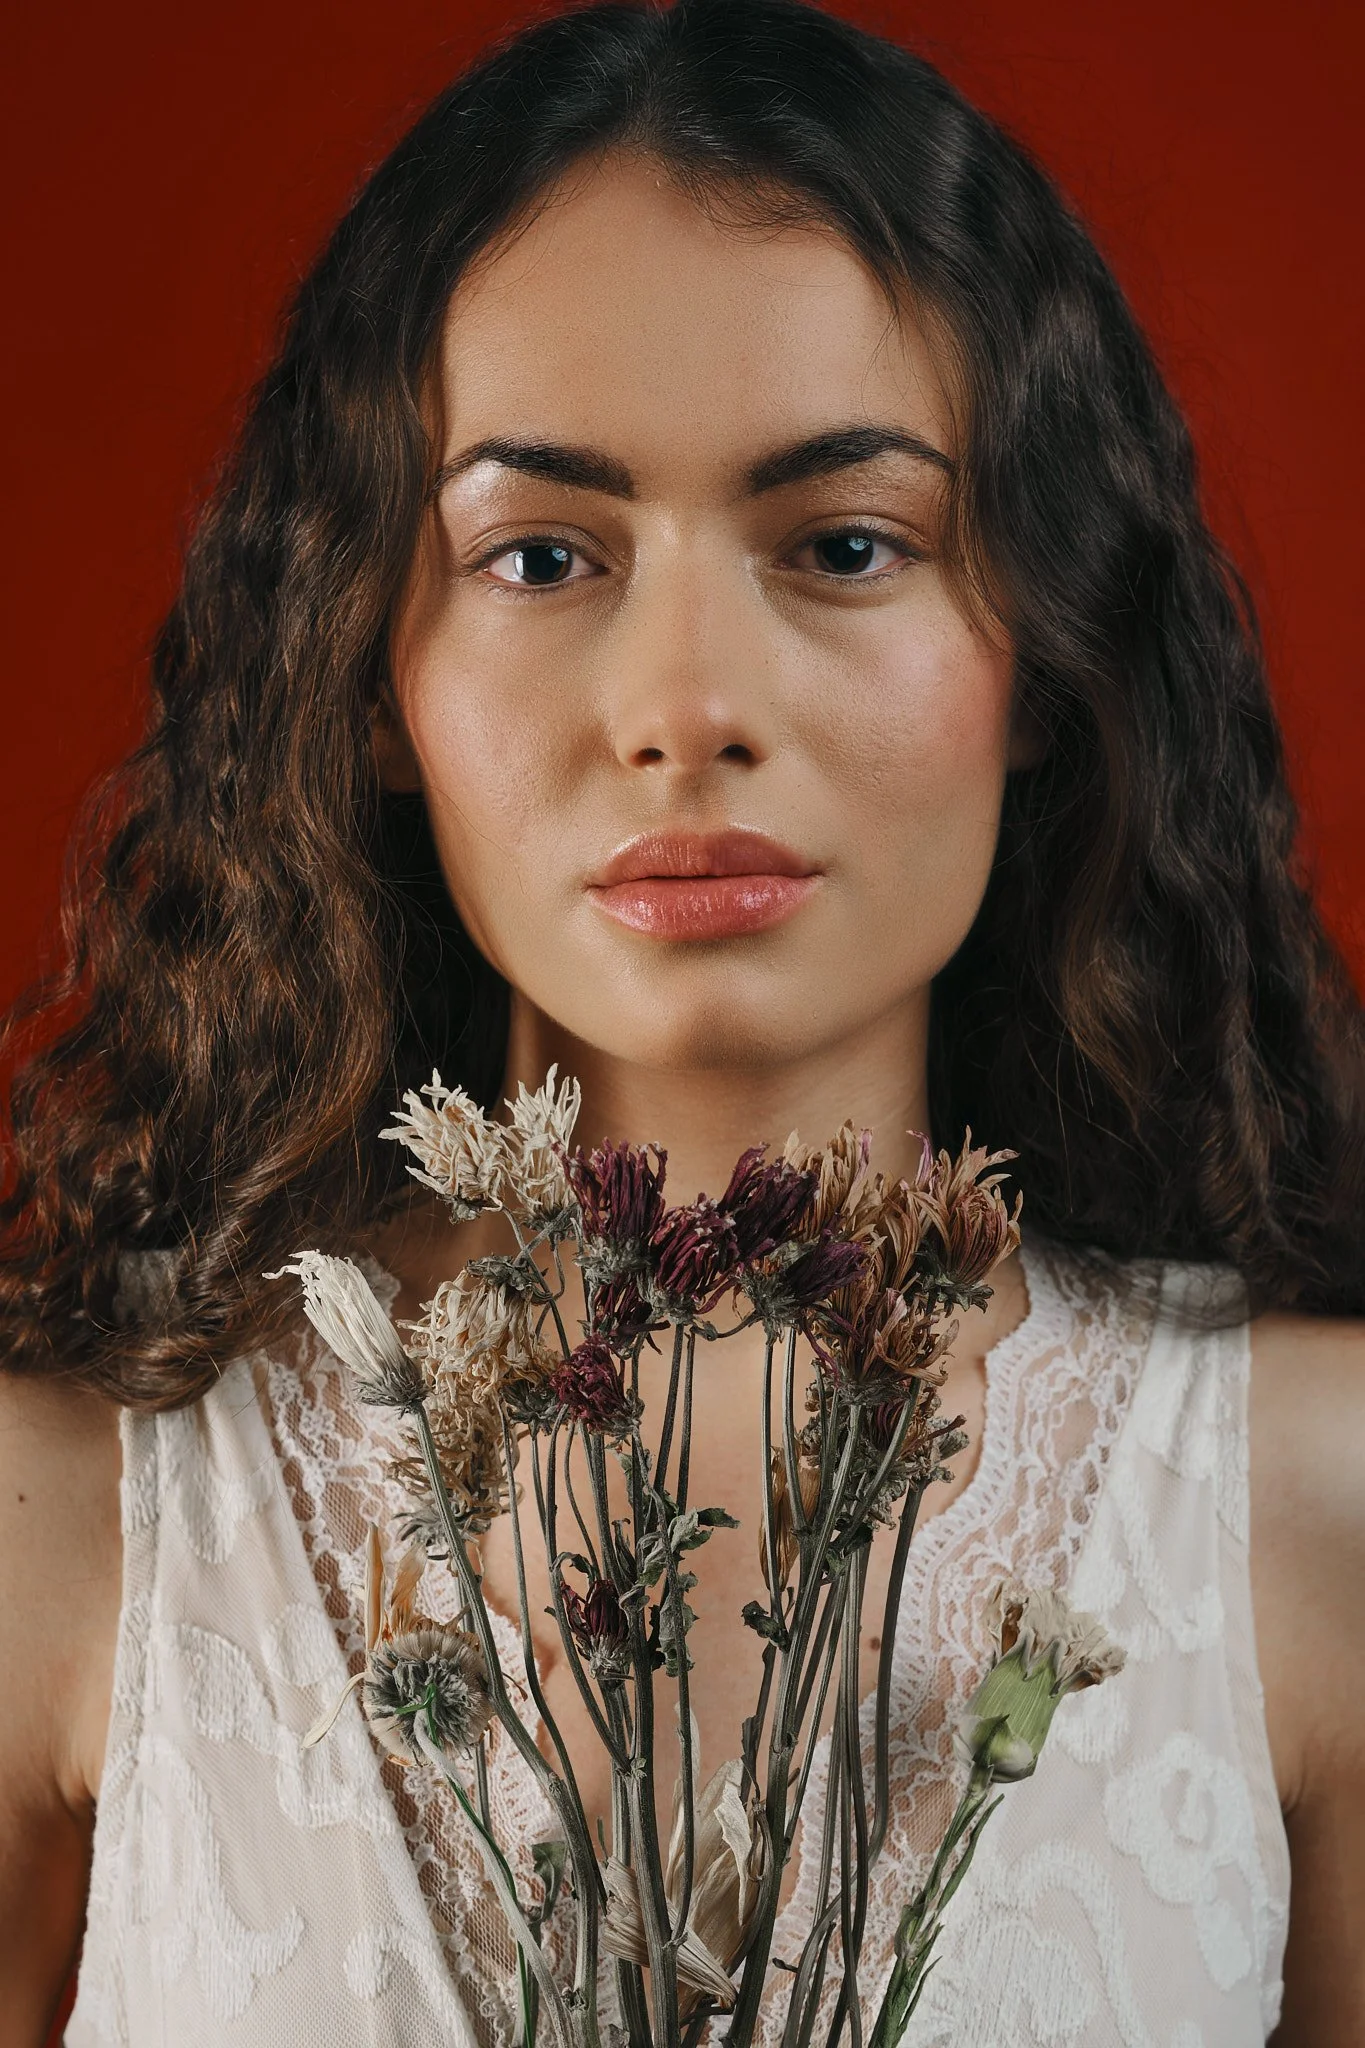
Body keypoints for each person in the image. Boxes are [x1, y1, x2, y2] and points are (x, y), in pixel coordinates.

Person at [1, 1, 1361, 2041]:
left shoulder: (1319, 1508)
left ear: (1049, 651)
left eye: (842, 544)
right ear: (370, 674)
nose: (685, 702)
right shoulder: (74, 1522)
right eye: (541, 552)